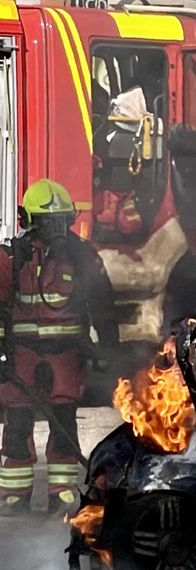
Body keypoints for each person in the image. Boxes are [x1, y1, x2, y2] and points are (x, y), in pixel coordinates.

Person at [0, 179, 117, 517]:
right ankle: (14, 494)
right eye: (47, 222)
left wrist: (108, 348)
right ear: (28, 220)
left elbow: (102, 303)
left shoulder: (82, 257)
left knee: (63, 421)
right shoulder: (11, 257)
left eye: (59, 221)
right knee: (18, 421)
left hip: (67, 352)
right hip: (21, 352)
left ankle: (61, 493)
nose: (54, 230)